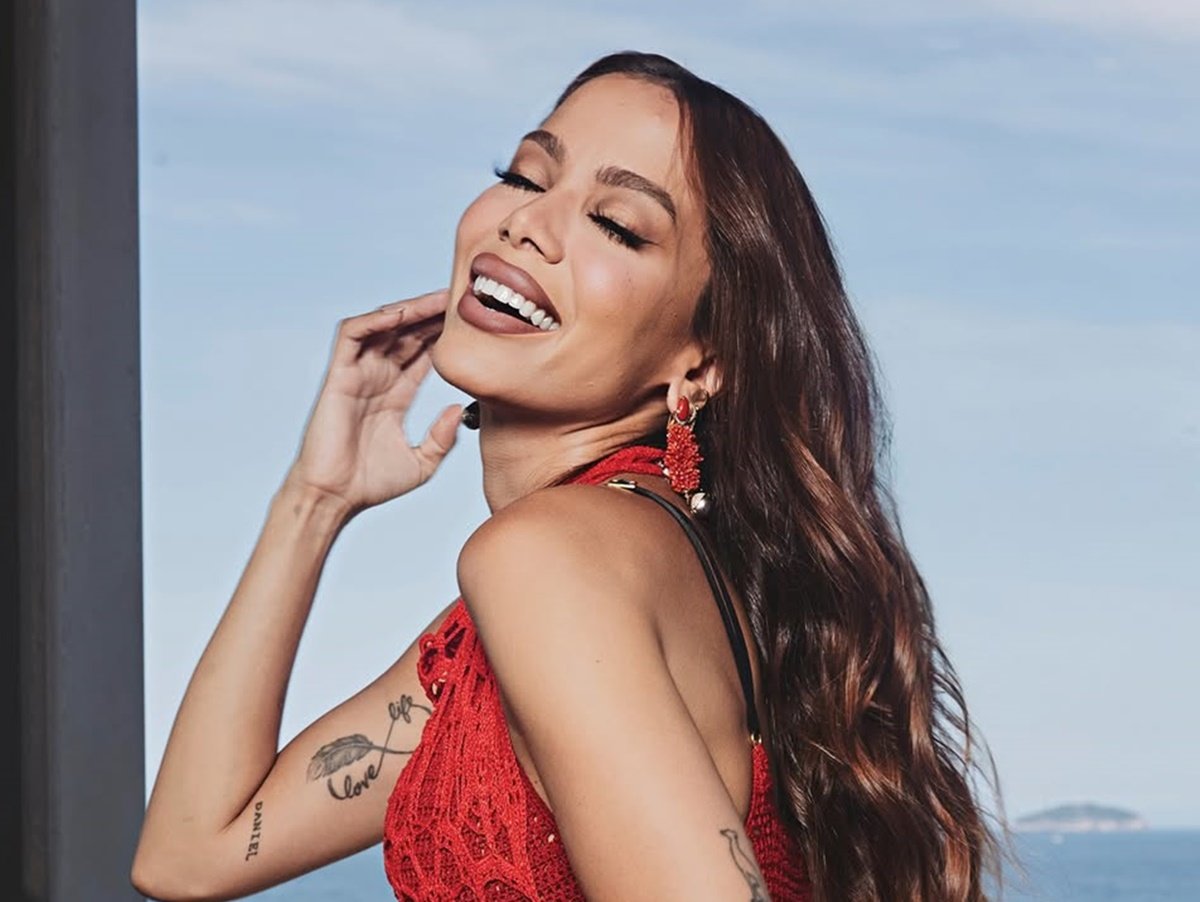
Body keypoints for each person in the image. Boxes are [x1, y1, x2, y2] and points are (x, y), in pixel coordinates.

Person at [131, 51, 1000, 901]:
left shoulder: (550, 560)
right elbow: (190, 855)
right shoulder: (607, 572)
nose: (527, 223)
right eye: (524, 176)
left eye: (617, 224)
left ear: (701, 363)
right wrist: (315, 499)